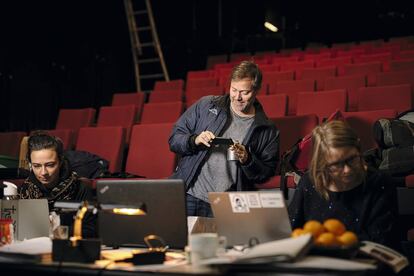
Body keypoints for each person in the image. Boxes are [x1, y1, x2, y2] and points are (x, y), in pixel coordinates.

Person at [169, 60, 280, 217]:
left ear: (256, 91)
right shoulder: (206, 105)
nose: (237, 97)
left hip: (226, 203)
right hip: (190, 194)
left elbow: (266, 173)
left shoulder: (268, 129)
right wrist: (195, 140)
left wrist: (247, 159)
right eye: (234, 90)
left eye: (244, 92)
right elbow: (174, 139)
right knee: (183, 242)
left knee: (219, 243)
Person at [288, 120, 398, 247]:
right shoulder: (309, 182)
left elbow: (381, 241)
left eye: (352, 159)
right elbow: (291, 231)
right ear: (322, 163)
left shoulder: (380, 182)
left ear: (359, 150)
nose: (347, 170)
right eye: (336, 164)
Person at [17, 131, 96, 238]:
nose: (43, 172)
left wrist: (55, 232)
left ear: (61, 161)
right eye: (37, 166)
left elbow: (90, 229)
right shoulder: (26, 189)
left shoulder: (79, 187)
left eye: (50, 165)